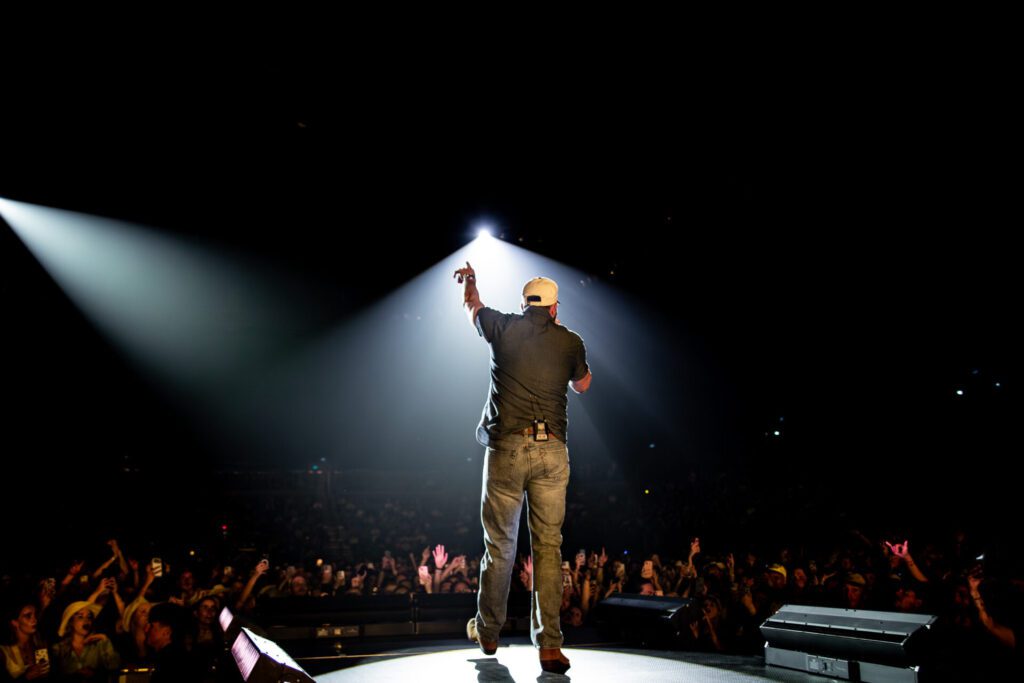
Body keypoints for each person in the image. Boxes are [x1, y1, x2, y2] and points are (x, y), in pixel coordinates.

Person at [455, 262, 592, 675]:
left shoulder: (503, 326)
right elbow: (583, 386)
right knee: (549, 548)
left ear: (522, 304)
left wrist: (472, 281)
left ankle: (489, 631)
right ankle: (550, 646)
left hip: (507, 450)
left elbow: (472, 306)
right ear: (553, 308)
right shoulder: (570, 341)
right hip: (552, 451)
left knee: (500, 545)